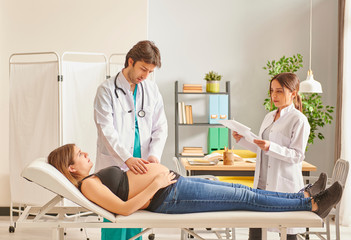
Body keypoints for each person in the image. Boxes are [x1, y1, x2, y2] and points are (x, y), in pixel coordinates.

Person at [48, 144, 343, 227]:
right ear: (71, 168)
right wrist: (158, 181)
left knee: (247, 191)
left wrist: (145, 167)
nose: (86, 154)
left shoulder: (93, 177)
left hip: (174, 186)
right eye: (80, 155)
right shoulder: (87, 186)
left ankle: (301, 194)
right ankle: (312, 205)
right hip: (169, 196)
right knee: (243, 196)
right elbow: (124, 210)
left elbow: (126, 185)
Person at [232, 72, 322, 240]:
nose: (274, 95)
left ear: (293, 93)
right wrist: (242, 140)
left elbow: (297, 155)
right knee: (256, 229)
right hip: (262, 183)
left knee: (288, 232)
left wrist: (271, 146)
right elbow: (262, 147)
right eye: (272, 91)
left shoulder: (299, 120)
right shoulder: (269, 116)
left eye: (279, 91)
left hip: (284, 184)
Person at [93, 40, 167, 239]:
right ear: (130, 61)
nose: (146, 75)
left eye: (150, 71)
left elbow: (161, 127)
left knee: (137, 217)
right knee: (113, 219)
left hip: (142, 164)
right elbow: (106, 131)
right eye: (143, 69)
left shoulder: (151, 89)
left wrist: (154, 156)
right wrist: (127, 158)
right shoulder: (106, 91)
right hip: (116, 164)